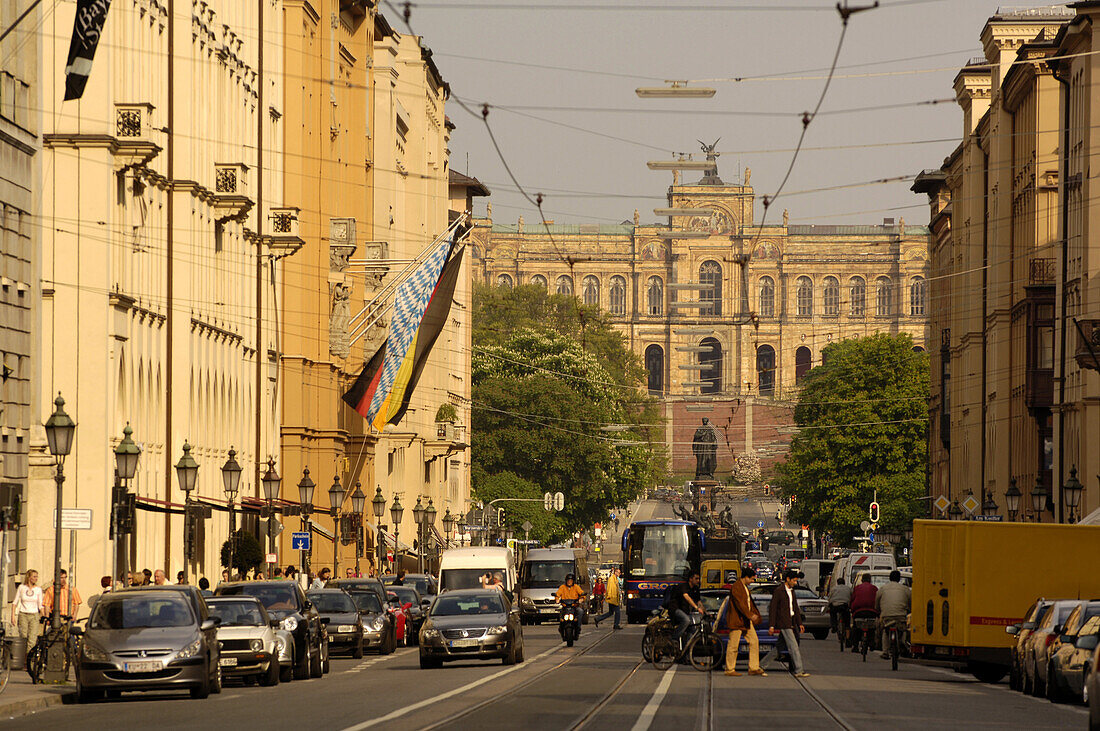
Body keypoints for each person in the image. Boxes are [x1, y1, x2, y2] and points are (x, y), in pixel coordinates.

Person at [724, 566, 766, 677]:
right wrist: (750, 615)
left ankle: (753, 667)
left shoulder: (745, 587)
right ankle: (729, 669)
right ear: (746, 577)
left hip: (745, 621)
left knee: (754, 641)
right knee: (733, 645)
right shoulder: (737, 587)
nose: (752, 581)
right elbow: (740, 604)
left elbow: (748, 604)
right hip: (737, 620)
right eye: (751, 579)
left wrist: (753, 615)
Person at [768, 569, 809, 678]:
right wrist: (772, 625)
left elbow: (795, 608)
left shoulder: (792, 591)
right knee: (793, 646)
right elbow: (773, 609)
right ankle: (799, 670)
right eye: (794, 581)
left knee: (778, 648)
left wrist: (800, 623)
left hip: (792, 622)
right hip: (784, 623)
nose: (795, 583)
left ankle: (760, 666)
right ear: (788, 579)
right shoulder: (779, 591)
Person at [875, 570, 911, 658]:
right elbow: (910, 602)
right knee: (903, 630)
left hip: (886, 616)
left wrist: (879, 611)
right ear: (899, 579)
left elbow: (877, 602)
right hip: (901, 616)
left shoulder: (883, 588)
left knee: (885, 632)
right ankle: (903, 643)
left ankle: (885, 651)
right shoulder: (905, 589)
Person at [669, 570, 704, 648]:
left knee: (693, 629)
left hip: (686, 611)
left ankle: (686, 653)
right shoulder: (683, 587)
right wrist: (696, 608)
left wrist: (705, 612)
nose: (698, 580)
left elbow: (699, 601)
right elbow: (687, 597)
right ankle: (674, 638)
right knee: (686, 620)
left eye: (699, 579)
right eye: (696, 578)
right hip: (676, 609)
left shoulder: (696, 589)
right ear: (690, 579)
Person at [11, 570, 44, 647]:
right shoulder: (22, 587)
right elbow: (14, 602)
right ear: (29, 577)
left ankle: (28, 656)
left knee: (32, 639)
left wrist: (44, 615)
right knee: (23, 636)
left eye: (37, 576)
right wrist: (13, 616)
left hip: (34, 615)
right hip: (23, 614)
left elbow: (40, 604)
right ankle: (23, 656)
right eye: (34, 576)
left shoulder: (38, 589)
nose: (36, 578)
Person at [848, 573, 879, 653]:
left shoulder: (857, 588)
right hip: (871, 612)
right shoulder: (874, 588)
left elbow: (852, 599)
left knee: (856, 627)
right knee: (872, 628)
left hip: (858, 612)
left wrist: (851, 608)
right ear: (870, 580)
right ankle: (871, 643)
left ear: (861, 580)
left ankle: (855, 646)